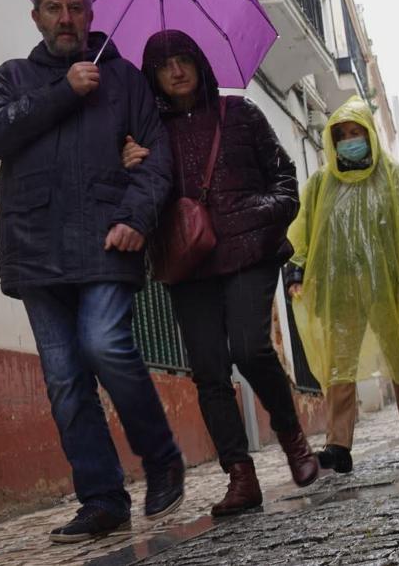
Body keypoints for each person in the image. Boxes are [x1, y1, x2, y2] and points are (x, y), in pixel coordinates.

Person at [0, 0, 184, 543]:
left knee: (104, 343)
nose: (65, 17)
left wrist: (136, 218)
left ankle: (162, 458)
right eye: (53, 8)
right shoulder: (12, 79)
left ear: (90, 15)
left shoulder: (127, 81)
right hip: (35, 249)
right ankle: (103, 499)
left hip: (105, 240)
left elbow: (158, 157)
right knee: (65, 381)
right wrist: (66, 89)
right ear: (35, 17)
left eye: (75, 7)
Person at [120, 30, 318, 516]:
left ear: (200, 63)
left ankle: (291, 435)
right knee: (209, 370)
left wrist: (254, 217)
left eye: (184, 60)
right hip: (190, 263)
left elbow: (287, 183)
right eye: (165, 65)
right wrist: (130, 167)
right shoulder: (149, 136)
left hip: (250, 252)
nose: (176, 71)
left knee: (249, 347)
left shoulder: (241, 114)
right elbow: (141, 200)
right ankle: (241, 477)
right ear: (153, 75)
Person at [285, 96, 399, 471]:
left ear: (370, 135)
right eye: (343, 135)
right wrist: (295, 272)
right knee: (340, 367)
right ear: (333, 142)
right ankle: (338, 445)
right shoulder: (322, 184)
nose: (350, 140)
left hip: (388, 288)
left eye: (357, 133)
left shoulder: (396, 179)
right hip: (339, 290)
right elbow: (301, 234)